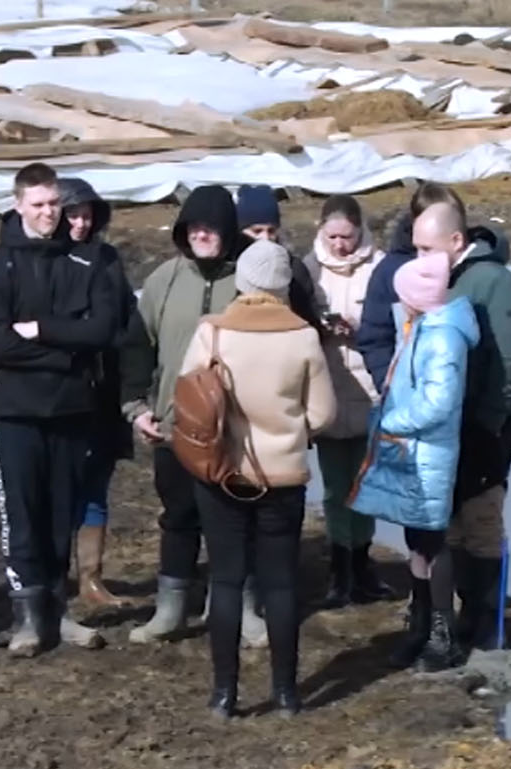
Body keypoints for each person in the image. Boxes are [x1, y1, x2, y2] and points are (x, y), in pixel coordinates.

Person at [176, 240, 335, 718]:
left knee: (226, 581)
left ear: (241, 283)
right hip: (283, 475)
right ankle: (287, 693)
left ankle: (224, 694)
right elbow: (324, 414)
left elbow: (187, 400)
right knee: (281, 584)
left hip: (221, 473)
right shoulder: (303, 336)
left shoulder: (213, 334)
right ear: (284, 286)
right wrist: (290, 432)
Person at [0, 162, 124, 657]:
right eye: (38, 205)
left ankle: (59, 612)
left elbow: (102, 330)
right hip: (17, 411)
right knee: (23, 516)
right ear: (18, 205)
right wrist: (67, 345)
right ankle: (27, 618)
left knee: (63, 513)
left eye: (54, 205)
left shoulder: (87, 261)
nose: (48, 214)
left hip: (72, 408)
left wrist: (40, 331)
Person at [123, 185, 267, 649]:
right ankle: (170, 608)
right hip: (174, 423)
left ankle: (242, 606)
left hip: (237, 425)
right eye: (194, 228)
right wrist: (137, 408)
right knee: (178, 516)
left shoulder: (252, 279)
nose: (203, 235)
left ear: (227, 229)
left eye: (211, 228)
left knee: (236, 517)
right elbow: (137, 347)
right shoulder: (165, 279)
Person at [348, 252, 476, 671]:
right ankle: (421, 625)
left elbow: (439, 400)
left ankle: (443, 635)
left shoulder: (442, 337)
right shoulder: (423, 328)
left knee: (432, 543)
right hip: (413, 451)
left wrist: (393, 422)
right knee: (417, 542)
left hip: (427, 454)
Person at [412, 198, 511, 652]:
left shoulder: (492, 282)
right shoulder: (445, 280)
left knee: (481, 518)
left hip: (484, 425)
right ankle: (464, 612)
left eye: (426, 248)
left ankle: (487, 620)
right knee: (453, 520)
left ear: (456, 241)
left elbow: (509, 359)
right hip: (447, 422)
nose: (419, 258)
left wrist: (487, 425)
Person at [56, 176, 151, 608]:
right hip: (60, 393)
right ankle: (53, 576)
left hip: (104, 390)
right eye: (73, 214)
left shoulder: (107, 259)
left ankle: (91, 578)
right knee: (57, 487)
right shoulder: (46, 261)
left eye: (87, 214)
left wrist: (133, 386)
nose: (80, 222)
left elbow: (128, 323)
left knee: (96, 485)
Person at [301, 193, 395, 609]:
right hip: (327, 389)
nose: (340, 245)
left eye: (348, 236)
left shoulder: (380, 267)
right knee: (337, 485)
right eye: (333, 236)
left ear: (361, 231)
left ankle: (362, 562)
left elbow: (395, 321)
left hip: (370, 390)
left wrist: (363, 329)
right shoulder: (308, 269)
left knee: (367, 482)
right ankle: (341, 567)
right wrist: (321, 327)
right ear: (322, 230)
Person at [356, 182, 465, 393]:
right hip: (410, 394)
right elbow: (375, 337)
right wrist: (389, 385)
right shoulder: (391, 272)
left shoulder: (470, 269)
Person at [234, 184, 323, 330]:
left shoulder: (293, 269)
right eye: (257, 231)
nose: (265, 238)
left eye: (271, 230)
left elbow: (308, 320)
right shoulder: (231, 267)